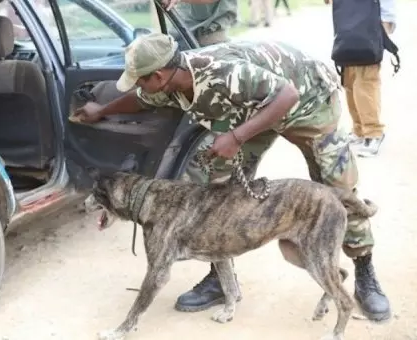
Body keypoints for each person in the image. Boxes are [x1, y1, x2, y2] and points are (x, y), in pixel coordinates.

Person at [71, 33, 391, 322]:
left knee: (338, 187)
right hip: (255, 109)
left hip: (306, 101)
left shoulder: (222, 73)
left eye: (140, 80)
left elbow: (287, 95)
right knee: (216, 186)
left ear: (158, 75)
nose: (139, 86)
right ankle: (219, 271)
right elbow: (143, 99)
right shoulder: (170, 81)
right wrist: (102, 111)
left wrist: (236, 137)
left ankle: (364, 272)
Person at [327, 0, 395, 158]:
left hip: (371, 26)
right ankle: (359, 130)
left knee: (365, 84)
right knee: (350, 82)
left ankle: (373, 132)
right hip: (349, 29)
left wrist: (385, 24)